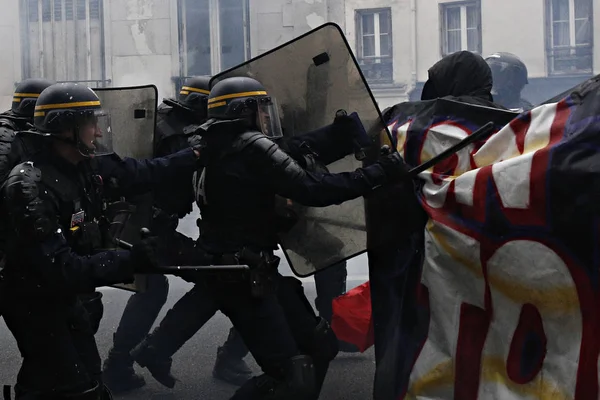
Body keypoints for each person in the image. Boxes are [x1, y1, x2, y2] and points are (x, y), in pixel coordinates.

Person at [191, 76, 410, 399]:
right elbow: (313, 189)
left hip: (252, 270)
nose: (268, 118)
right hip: (241, 277)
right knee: (290, 374)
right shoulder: (250, 147)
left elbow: (288, 158)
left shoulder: (219, 146)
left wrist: (335, 135)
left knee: (320, 346)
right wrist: (379, 173)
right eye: (262, 110)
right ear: (242, 112)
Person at [0, 82, 207, 399]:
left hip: (64, 295)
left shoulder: (83, 166)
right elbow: (59, 268)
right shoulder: (29, 186)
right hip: (32, 299)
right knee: (67, 384)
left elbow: (139, 172)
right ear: (66, 130)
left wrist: (194, 155)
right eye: (90, 123)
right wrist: (130, 261)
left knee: (88, 379)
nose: (98, 133)